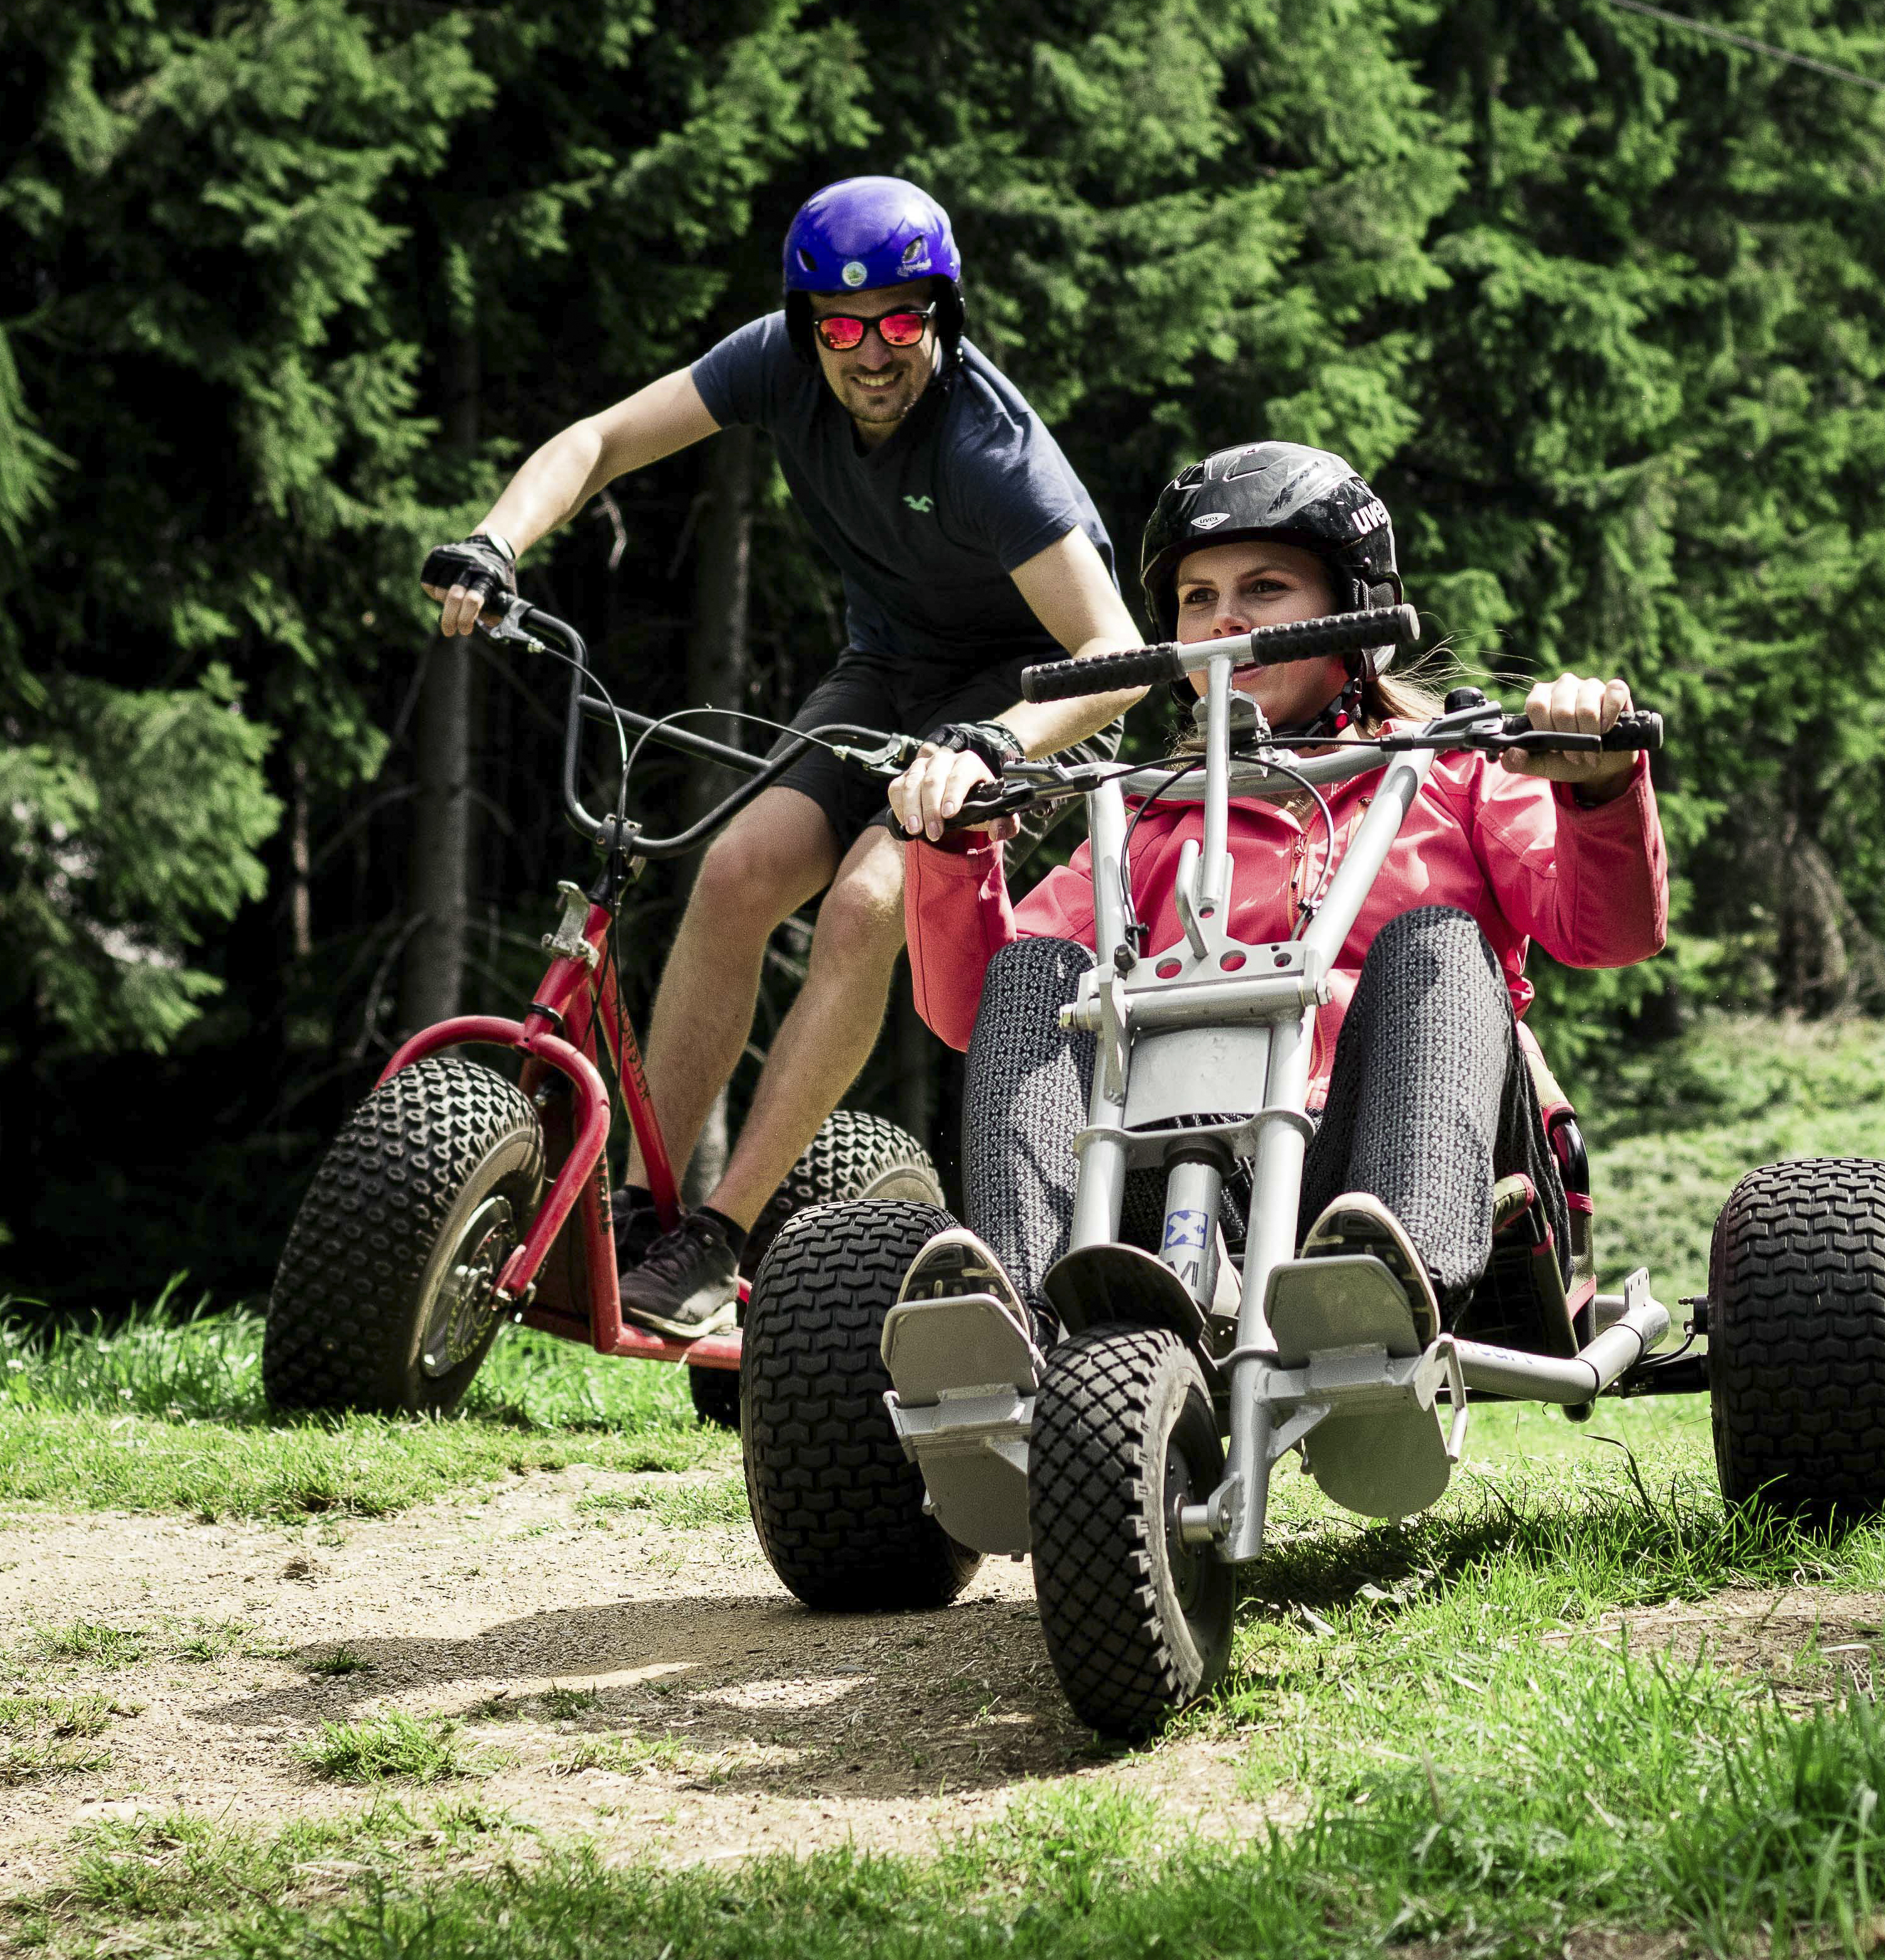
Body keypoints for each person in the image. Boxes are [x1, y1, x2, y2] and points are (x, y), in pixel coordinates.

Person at [415, 176, 1144, 1340]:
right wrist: (498, 540)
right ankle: (645, 1218)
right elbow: (600, 439)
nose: (869, 353)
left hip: (1026, 697)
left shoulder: (990, 451)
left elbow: (1119, 655)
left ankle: (721, 1236)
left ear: (941, 316)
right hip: (890, 673)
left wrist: (994, 741)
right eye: (840, 326)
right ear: (807, 325)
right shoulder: (776, 363)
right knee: (737, 870)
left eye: (900, 321)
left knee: (864, 902)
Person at [881, 441, 1667, 1342]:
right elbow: (984, 1016)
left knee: (1438, 941)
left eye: (1263, 590)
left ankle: (1386, 1276)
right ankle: (1015, 1318)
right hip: (1185, 1180)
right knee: (1036, 970)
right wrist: (952, 848)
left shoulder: (1454, 769)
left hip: (1410, 1173)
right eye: (1198, 599)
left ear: (1353, 609)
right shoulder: (1142, 813)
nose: (1225, 623)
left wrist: (1598, 786)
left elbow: (1609, 934)